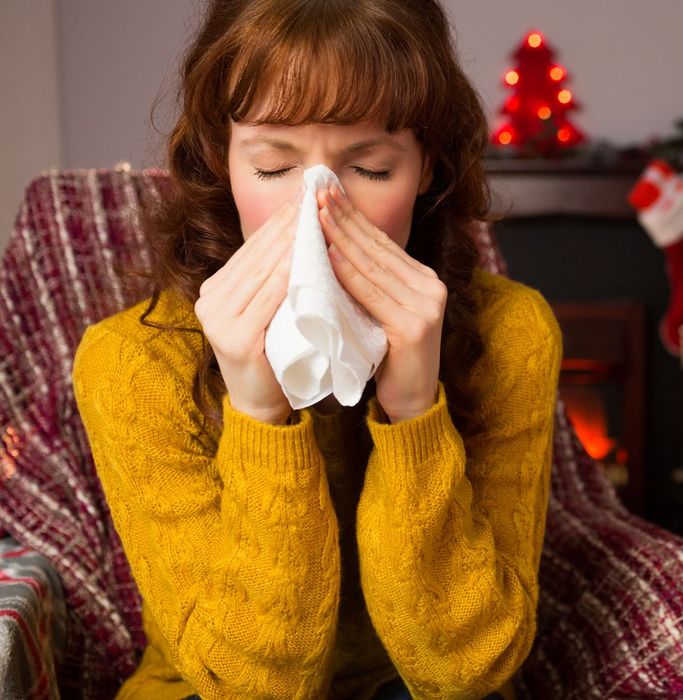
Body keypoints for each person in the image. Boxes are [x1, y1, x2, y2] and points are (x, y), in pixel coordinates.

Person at [71, 1, 562, 698]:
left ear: (426, 166)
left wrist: (413, 409)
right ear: (223, 161)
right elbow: (250, 685)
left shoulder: (512, 334)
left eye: (369, 167)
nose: (317, 214)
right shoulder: (132, 362)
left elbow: (465, 670)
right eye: (274, 167)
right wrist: (258, 412)